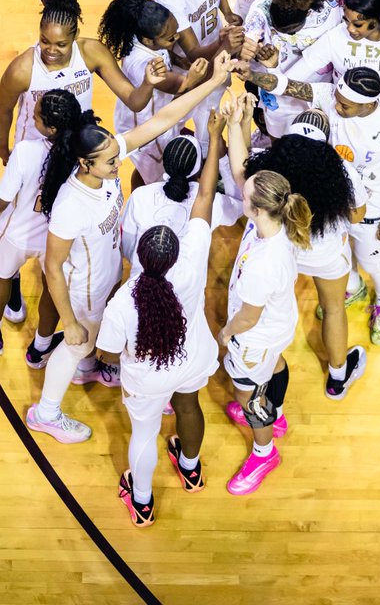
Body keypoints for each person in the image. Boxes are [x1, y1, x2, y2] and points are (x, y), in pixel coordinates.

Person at [24, 52, 234, 444]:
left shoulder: (103, 156)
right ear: (85, 165)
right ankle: (46, 413)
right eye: (109, 162)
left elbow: (164, 119)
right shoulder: (70, 207)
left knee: (85, 345)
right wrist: (68, 321)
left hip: (105, 275)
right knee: (75, 344)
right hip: (83, 286)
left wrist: (211, 82)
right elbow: (52, 268)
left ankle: (85, 366)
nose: (117, 163)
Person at [0, 0, 168, 322]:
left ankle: (50, 308)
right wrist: (3, 149)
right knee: (16, 227)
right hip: (33, 158)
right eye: (45, 41)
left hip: (73, 157)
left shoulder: (91, 53)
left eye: (60, 44)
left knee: (56, 233)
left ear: (75, 36)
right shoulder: (22, 69)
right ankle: (12, 280)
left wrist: (147, 82)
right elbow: (3, 111)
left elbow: (134, 100)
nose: (51, 50)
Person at [96, 110, 227, 527]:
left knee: (143, 433)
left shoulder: (125, 300)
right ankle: (190, 467)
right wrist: (215, 136)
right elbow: (204, 196)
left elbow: (106, 353)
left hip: (149, 375)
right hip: (193, 357)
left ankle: (143, 500)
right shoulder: (190, 259)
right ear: (176, 251)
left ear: (141, 258)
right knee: (189, 408)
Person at [255, 0, 380, 266]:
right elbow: (295, 80)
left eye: (358, 24)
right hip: (346, 119)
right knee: (349, 173)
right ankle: (350, 226)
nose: (349, 29)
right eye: (347, 20)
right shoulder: (336, 39)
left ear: (378, 20)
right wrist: (273, 68)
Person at [233, 66, 380, 346]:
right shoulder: (330, 95)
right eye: (337, 98)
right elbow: (287, 85)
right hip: (331, 204)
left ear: (367, 104)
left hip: (369, 208)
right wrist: (249, 74)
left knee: (372, 261)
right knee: (342, 258)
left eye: (344, 105)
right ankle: (353, 288)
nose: (335, 105)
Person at [226, 99, 369, 399]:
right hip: (327, 254)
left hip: (282, 251)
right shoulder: (342, 169)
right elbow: (357, 215)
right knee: (333, 309)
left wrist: (235, 124)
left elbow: (241, 173)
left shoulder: (269, 162)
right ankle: (338, 378)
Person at [0, 90, 85, 365]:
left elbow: (1, 199)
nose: (31, 112)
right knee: (53, 289)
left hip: (16, 233)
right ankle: (40, 348)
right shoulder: (81, 152)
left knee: (1, 276)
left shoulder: (26, 151)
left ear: (50, 128)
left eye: (37, 112)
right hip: (55, 239)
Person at [217, 162, 312, 495]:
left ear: (256, 209)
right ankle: (280, 415)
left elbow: (248, 317)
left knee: (248, 396)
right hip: (279, 326)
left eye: (244, 196)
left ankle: (264, 452)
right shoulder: (277, 225)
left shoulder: (263, 265)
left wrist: (227, 333)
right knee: (276, 363)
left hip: (255, 337)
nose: (240, 196)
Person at [97, 0, 213, 187]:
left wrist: (178, 60)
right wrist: (195, 76)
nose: (176, 39)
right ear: (149, 41)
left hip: (153, 114)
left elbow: (165, 51)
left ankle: (138, 191)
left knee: (143, 172)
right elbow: (182, 87)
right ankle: (143, 207)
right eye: (171, 38)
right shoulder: (142, 63)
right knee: (157, 181)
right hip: (146, 129)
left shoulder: (146, 35)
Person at [153, 0, 243, 154]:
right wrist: (224, 45)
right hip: (186, 70)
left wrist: (227, 12)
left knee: (209, 130)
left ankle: (207, 163)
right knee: (170, 130)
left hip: (217, 52)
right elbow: (193, 54)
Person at [240, 0, 345, 140]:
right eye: (278, 28)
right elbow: (246, 47)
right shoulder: (260, 9)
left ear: (309, 13)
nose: (287, 35)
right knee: (279, 140)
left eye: (292, 30)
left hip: (318, 89)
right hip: (275, 85)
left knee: (321, 139)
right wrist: (245, 52)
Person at [119, 134, 242, 277]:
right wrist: (222, 159)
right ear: (200, 168)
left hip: (141, 281)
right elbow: (238, 205)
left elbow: (127, 245)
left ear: (165, 164)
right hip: (188, 288)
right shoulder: (211, 202)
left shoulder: (140, 195)